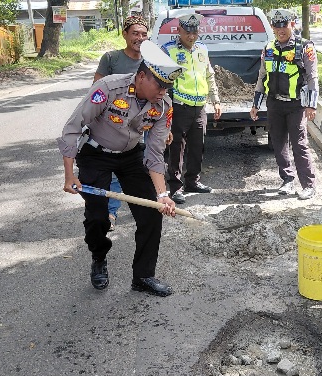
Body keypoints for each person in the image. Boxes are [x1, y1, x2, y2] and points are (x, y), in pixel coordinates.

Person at [58, 40, 182, 297]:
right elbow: (72, 128)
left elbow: (155, 153)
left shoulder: (162, 106)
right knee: (98, 216)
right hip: (96, 154)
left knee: (151, 213)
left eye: (167, 86)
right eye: (159, 85)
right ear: (141, 76)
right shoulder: (107, 88)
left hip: (131, 156)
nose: (163, 91)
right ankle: (99, 257)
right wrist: (70, 174)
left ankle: (143, 276)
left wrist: (162, 195)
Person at [249, 9, 319, 200]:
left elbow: (312, 77)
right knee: (278, 144)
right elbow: (262, 76)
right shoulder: (269, 48)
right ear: (272, 27)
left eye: (284, 26)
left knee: (299, 144)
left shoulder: (304, 47)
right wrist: (256, 104)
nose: (281, 30)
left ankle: (308, 184)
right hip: (274, 104)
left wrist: (311, 105)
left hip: (296, 104)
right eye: (277, 27)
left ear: (292, 25)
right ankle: (287, 180)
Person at [94, 15, 149, 231]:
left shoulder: (151, 61)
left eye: (144, 34)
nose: (140, 38)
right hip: (113, 124)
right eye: (135, 33)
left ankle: (143, 209)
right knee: (115, 169)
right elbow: (96, 88)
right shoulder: (111, 58)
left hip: (140, 124)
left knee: (141, 167)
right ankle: (111, 212)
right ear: (125, 34)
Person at [161, 13, 222, 204]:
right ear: (179, 31)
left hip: (199, 107)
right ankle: (175, 187)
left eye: (195, 32)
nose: (192, 36)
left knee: (198, 147)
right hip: (178, 106)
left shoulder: (202, 49)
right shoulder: (168, 50)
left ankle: (192, 181)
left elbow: (209, 76)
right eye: (187, 32)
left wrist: (216, 100)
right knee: (176, 148)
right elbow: (159, 79)